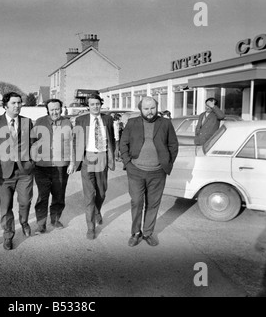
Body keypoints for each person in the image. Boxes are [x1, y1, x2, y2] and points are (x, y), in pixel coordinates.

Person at [120, 96, 178, 247]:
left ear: (156, 107)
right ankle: (135, 233)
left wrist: (167, 163)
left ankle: (148, 233)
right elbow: (123, 143)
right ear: (141, 109)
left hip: (158, 172)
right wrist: (128, 163)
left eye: (152, 108)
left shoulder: (165, 123)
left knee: (153, 204)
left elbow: (173, 145)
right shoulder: (132, 123)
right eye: (146, 109)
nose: (150, 111)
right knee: (137, 202)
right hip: (136, 171)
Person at [0, 92, 35, 250]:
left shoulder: (27, 122)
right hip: (4, 172)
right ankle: (8, 235)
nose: (17, 106)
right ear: (5, 105)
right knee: (6, 206)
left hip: (24, 172)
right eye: (14, 103)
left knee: (25, 202)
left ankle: (24, 222)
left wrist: (32, 161)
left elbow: (34, 144)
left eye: (19, 103)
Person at [74, 94, 115, 240]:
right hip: (88, 158)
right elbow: (76, 140)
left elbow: (112, 137)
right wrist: (75, 160)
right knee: (90, 195)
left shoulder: (108, 119)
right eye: (92, 104)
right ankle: (90, 228)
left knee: (102, 192)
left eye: (98, 104)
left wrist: (112, 155)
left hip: (102, 156)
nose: (95, 106)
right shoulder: (81, 120)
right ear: (88, 106)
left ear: (101, 104)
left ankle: (97, 210)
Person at [31, 99, 75, 234]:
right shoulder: (39, 122)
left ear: (61, 108)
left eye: (57, 109)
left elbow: (72, 143)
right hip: (42, 167)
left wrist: (72, 162)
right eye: (52, 109)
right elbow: (32, 142)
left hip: (61, 166)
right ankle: (41, 224)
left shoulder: (67, 122)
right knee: (42, 196)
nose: (55, 112)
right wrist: (33, 159)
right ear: (47, 110)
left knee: (59, 195)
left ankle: (55, 219)